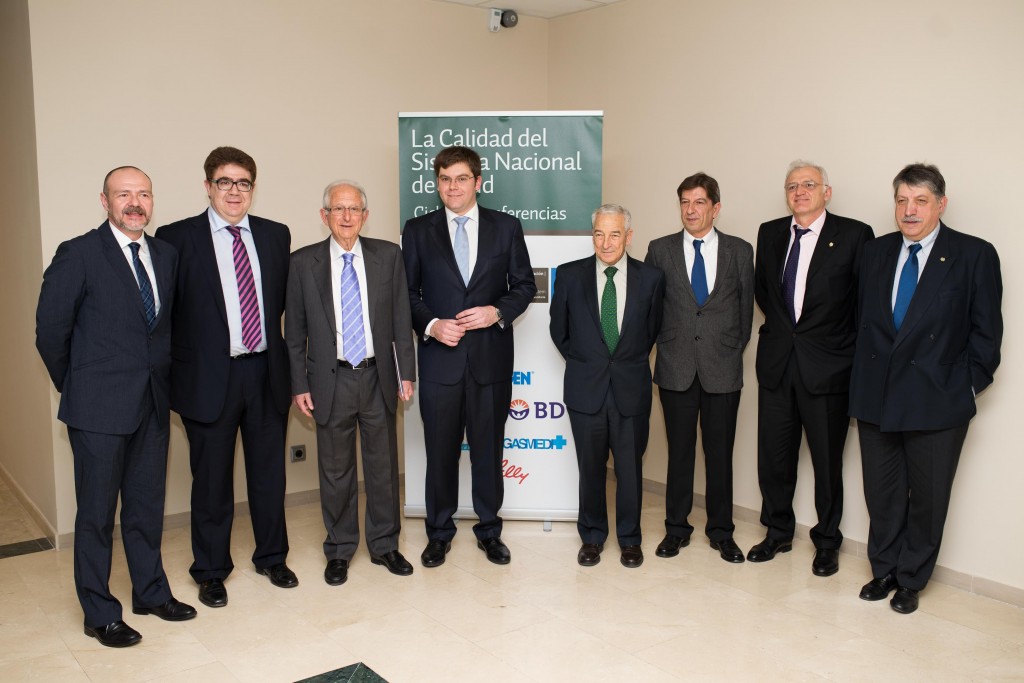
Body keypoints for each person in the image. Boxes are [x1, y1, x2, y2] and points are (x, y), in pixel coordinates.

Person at [36, 167, 196, 648]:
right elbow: (50, 334)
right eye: (124, 194)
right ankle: (99, 611)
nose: (135, 202)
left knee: (147, 509)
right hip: (97, 410)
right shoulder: (79, 253)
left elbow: (164, 332)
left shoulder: (165, 256)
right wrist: (79, 387)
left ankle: (150, 592)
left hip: (151, 405)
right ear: (104, 201)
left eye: (143, 194)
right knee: (97, 516)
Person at [849, 163, 1002, 614]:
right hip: (877, 395)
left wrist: (963, 388)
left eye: (919, 201)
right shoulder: (875, 253)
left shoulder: (973, 255)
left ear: (941, 204)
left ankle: (912, 579)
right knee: (882, 493)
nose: (909, 210)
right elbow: (863, 323)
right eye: (901, 200)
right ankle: (885, 570)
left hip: (937, 400)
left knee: (929, 498)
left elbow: (987, 336)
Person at [155, 147, 295, 608]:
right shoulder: (175, 237)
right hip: (208, 380)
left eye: (244, 183)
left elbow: (281, 309)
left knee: (269, 477)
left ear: (253, 189)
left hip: (264, 373)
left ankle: (272, 556)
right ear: (208, 186)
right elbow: (166, 316)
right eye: (225, 182)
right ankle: (211, 571)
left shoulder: (276, 236)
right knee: (211, 483)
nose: (235, 191)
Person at [402, 145, 536, 567]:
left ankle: (489, 530)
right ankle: (439, 533)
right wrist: (431, 325)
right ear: (436, 183)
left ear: (478, 182)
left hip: (489, 363)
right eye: (444, 179)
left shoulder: (506, 227)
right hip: (440, 364)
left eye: (461, 178)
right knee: (439, 454)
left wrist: (496, 311)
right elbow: (406, 294)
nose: (452, 186)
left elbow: (525, 286)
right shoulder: (418, 229)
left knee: (488, 450)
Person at [285, 180, 416, 586]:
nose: (346, 217)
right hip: (331, 379)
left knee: (382, 468)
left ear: (365, 215)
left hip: (378, 376)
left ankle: (385, 546)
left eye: (354, 209)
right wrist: (298, 384)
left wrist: (405, 373)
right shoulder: (303, 263)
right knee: (336, 470)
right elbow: (295, 331)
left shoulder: (388, 256)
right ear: (324, 215)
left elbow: (400, 319)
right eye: (338, 209)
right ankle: (340, 550)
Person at [750, 160, 873, 575]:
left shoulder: (855, 235)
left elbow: (862, 306)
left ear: (826, 191)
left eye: (808, 185)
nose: (799, 192)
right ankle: (777, 532)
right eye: (792, 186)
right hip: (778, 365)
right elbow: (766, 295)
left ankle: (826, 541)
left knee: (826, 462)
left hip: (828, 370)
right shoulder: (769, 234)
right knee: (774, 458)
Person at [645, 173, 754, 564]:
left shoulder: (741, 251)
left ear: (715, 207)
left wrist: (723, 350)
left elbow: (743, 319)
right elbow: (652, 310)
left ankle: (722, 532)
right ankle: (676, 529)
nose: (691, 210)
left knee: (720, 454)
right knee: (679, 453)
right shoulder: (660, 250)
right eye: (685, 203)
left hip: (722, 369)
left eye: (699, 202)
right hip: (675, 367)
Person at [550, 204, 665, 568]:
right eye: (599, 233)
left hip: (631, 388)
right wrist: (589, 362)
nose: (606, 241)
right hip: (586, 388)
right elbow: (559, 330)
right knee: (591, 468)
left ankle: (630, 539)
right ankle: (593, 536)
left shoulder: (652, 278)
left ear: (629, 236)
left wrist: (623, 362)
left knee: (630, 469)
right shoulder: (570, 275)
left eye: (614, 233)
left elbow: (652, 331)